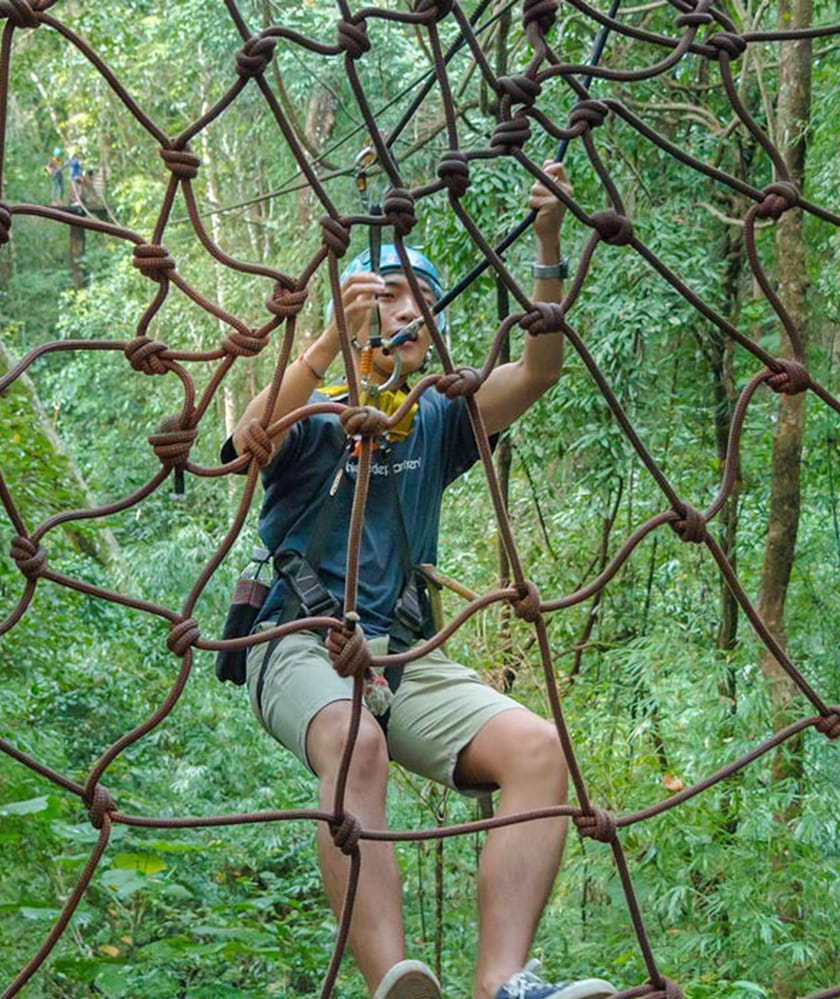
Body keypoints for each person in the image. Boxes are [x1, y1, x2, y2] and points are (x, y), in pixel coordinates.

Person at [222, 161, 616, 999]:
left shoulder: (437, 418)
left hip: (401, 653)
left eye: (423, 302)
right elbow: (251, 437)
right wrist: (327, 340)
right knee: (355, 739)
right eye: (391, 294)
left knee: (541, 751)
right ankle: (392, 984)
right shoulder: (319, 407)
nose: (408, 312)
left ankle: (502, 984)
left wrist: (547, 241)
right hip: (294, 639)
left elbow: (538, 374)